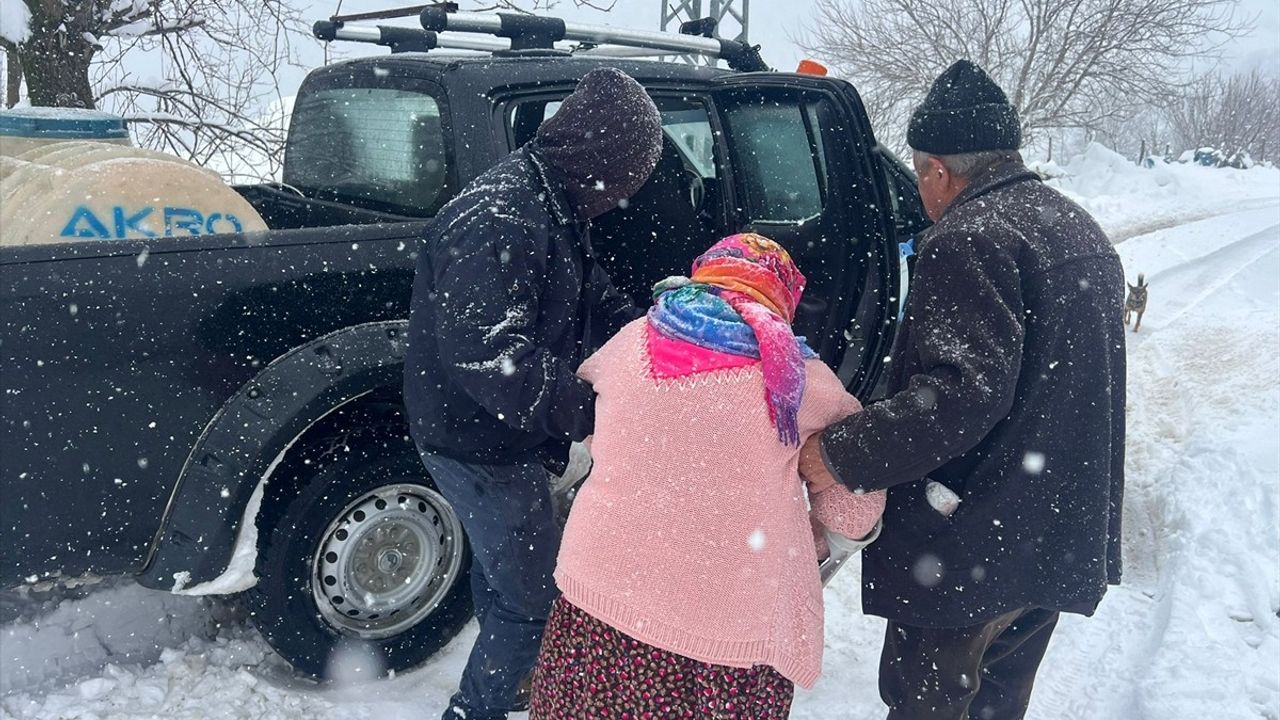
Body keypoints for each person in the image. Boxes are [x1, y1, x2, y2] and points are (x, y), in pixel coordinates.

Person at [807, 60, 1127, 720]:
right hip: (1050, 531)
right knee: (997, 701)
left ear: (936, 171)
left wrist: (837, 454)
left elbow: (957, 396)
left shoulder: (969, 239)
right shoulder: (1075, 227)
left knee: (928, 705)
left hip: (973, 542)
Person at [528, 233, 886, 720]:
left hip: (598, 600)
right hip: (723, 630)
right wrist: (817, 537)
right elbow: (856, 499)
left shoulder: (634, 339)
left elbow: (596, 420)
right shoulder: (799, 380)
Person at [403, 68, 663, 720]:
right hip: (475, 440)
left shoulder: (553, 200)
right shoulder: (500, 218)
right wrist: (598, 411)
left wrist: (656, 339)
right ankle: (478, 708)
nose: (627, 196)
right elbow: (491, 358)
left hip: (500, 432)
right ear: (601, 159)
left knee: (503, 575)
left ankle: (508, 676)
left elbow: (591, 295)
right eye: (628, 179)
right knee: (532, 597)